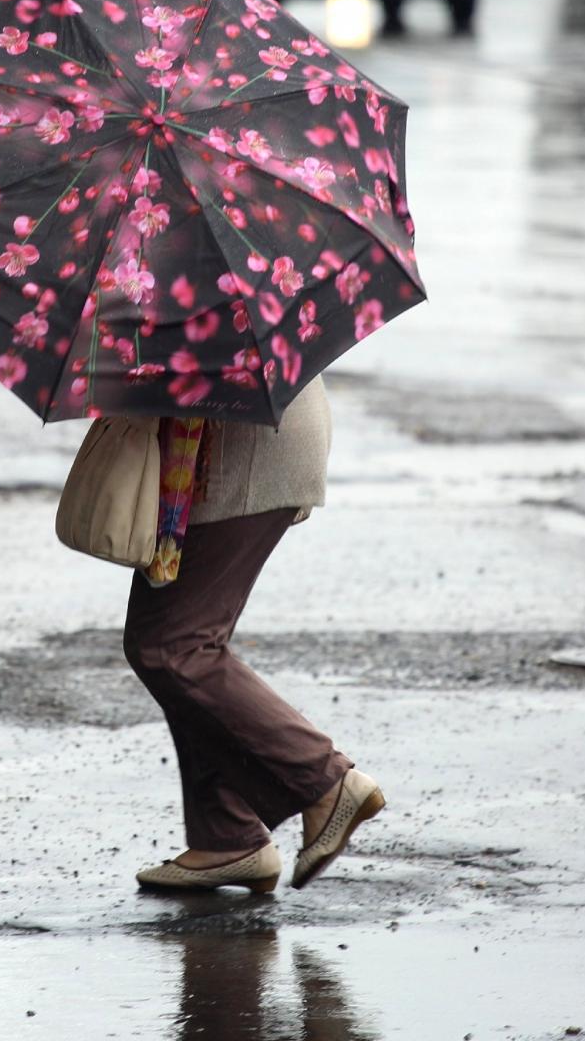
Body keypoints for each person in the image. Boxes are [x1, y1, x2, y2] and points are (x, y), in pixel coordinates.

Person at [124, 377, 387, 894]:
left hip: (238, 453)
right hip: (239, 442)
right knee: (184, 641)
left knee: (174, 645)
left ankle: (326, 782)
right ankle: (226, 836)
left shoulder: (196, 291)